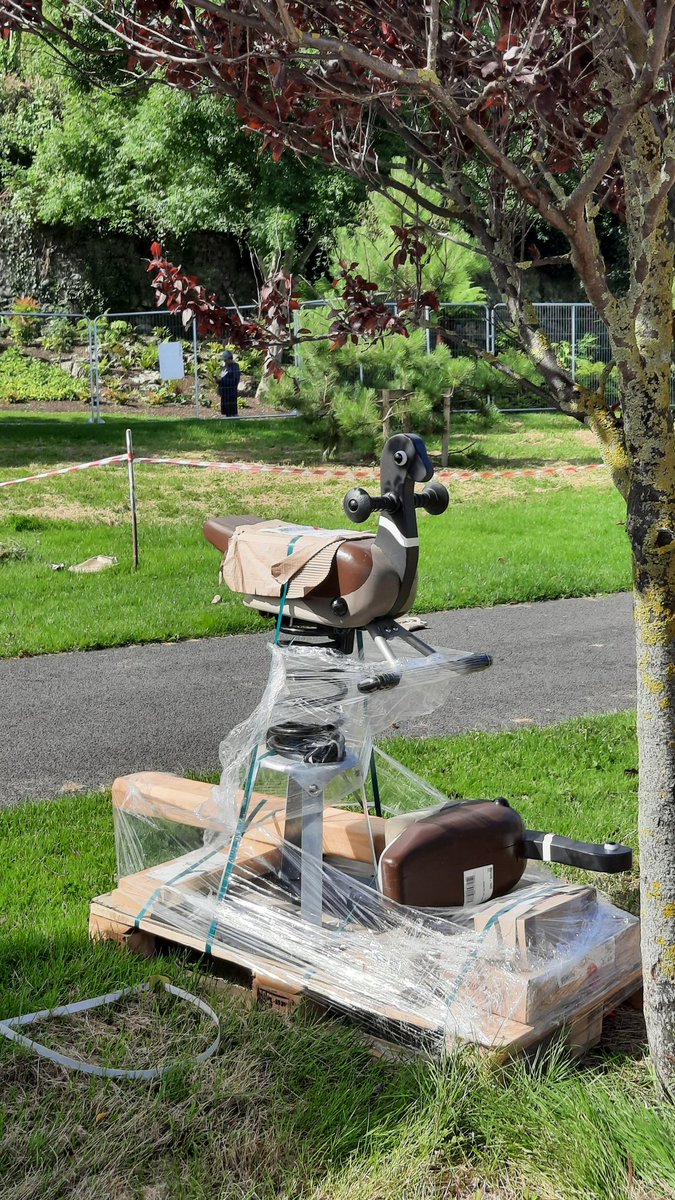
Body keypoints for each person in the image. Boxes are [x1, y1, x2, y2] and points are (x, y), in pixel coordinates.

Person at [218, 350, 240, 417]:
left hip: (231, 393)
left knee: (231, 411)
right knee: (226, 412)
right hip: (224, 393)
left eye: (225, 360)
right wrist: (218, 381)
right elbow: (222, 376)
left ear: (230, 359)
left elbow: (235, 380)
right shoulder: (225, 367)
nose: (224, 362)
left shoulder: (235, 367)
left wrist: (222, 381)